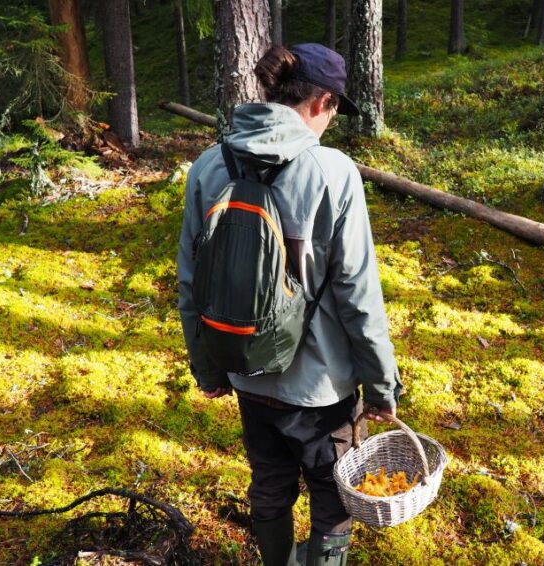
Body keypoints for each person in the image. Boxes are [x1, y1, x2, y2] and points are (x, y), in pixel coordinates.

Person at [177, 43, 401, 566]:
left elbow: (191, 282)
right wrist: (381, 385)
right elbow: (358, 294)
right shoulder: (334, 171)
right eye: (335, 110)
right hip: (322, 387)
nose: (332, 121)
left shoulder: (209, 166)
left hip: (246, 370)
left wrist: (207, 367)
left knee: (269, 484)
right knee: (334, 496)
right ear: (322, 102)